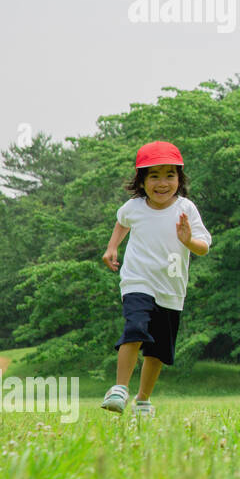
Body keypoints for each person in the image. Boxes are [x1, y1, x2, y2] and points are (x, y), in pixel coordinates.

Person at [100, 141, 211, 418]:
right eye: (154, 176)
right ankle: (119, 389)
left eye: (170, 175)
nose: (162, 183)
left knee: (158, 351)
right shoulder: (134, 207)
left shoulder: (186, 209)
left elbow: (204, 246)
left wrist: (188, 241)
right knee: (135, 327)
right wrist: (112, 247)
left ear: (179, 178)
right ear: (142, 180)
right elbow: (122, 221)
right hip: (138, 281)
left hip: (171, 289)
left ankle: (143, 399)